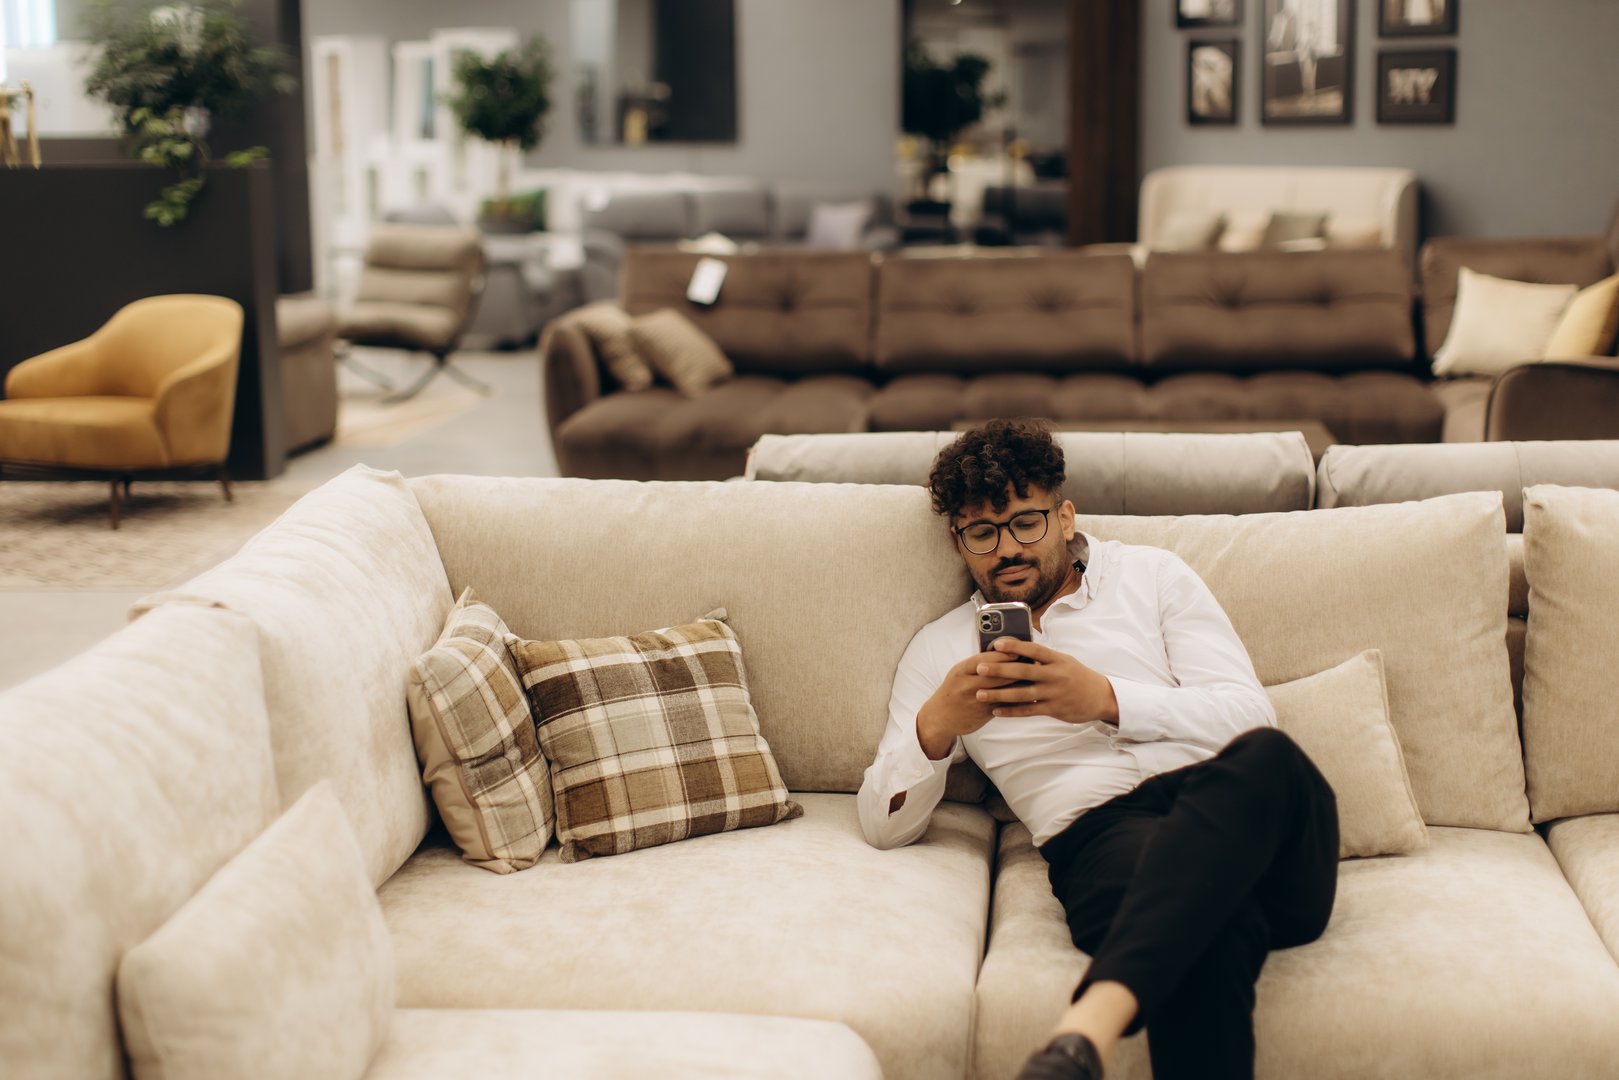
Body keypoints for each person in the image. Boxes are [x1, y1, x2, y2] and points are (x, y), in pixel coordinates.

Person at [857, 420, 1340, 1080]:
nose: (1006, 549)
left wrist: (1106, 700)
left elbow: (1249, 714)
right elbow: (882, 826)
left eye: (1024, 523)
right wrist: (934, 729)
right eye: (982, 532)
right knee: (1208, 933)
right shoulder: (941, 651)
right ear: (958, 542)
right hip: (1102, 841)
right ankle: (1090, 1031)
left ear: (1063, 516)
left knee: (1267, 756)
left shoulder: (1153, 577)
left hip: (1243, 826)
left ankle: (1083, 1029)